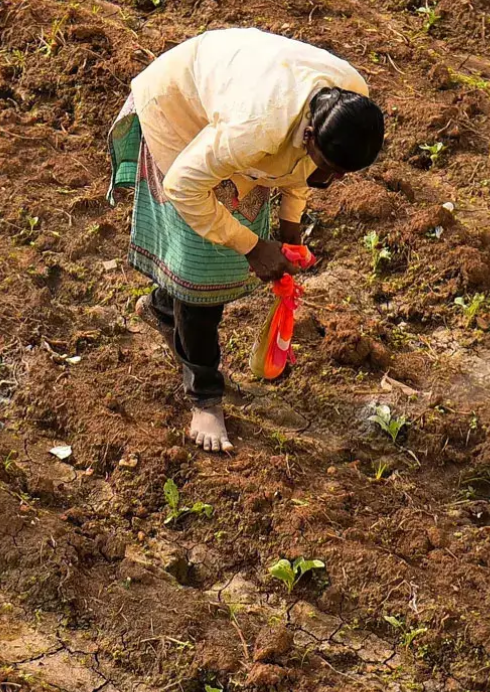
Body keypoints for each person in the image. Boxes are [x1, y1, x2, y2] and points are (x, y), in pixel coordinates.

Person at [108, 28, 384, 453]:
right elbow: (185, 186)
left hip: (230, 106)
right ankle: (204, 397)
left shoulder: (347, 101)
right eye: (328, 166)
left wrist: (291, 220)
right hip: (180, 113)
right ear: (309, 137)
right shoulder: (256, 129)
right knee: (202, 275)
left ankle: (163, 309)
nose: (332, 179)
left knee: (218, 248)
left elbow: (304, 167)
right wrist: (253, 247)